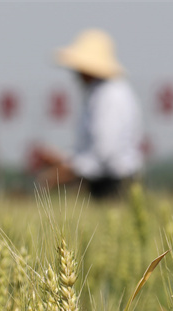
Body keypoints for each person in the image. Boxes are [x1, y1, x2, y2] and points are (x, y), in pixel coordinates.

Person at [36, 29, 143, 200]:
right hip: (105, 181)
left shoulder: (111, 96)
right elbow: (91, 150)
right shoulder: (99, 94)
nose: (75, 73)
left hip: (116, 184)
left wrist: (65, 170)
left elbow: (103, 153)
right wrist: (63, 160)